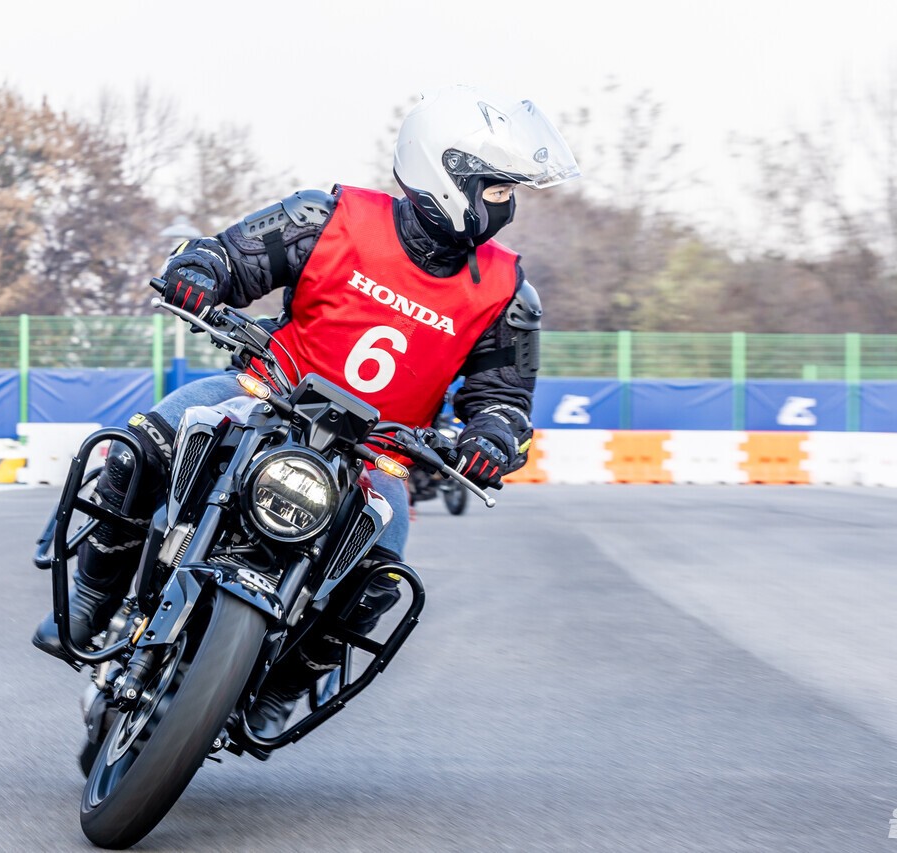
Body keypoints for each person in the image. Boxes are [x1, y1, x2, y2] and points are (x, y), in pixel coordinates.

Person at [33, 83, 580, 739]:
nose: (507, 206)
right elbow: (232, 256)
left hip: (379, 456)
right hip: (264, 392)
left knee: (379, 577)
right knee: (135, 450)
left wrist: (490, 437)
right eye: (496, 188)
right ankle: (92, 602)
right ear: (449, 174)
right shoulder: (328, 217)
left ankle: (279, 686)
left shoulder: (507, 289)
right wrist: (201, 271)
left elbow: (504, 397)